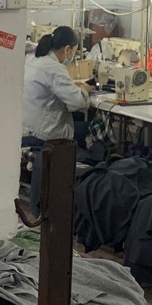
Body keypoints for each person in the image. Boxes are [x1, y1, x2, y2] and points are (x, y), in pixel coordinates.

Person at [17, 26, 90, 226]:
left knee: (81, 127)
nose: (72, 56)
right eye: (74, 51)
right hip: (43, 134)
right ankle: (85, 187)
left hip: (25, 127)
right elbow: (78, 102)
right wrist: (85, 89)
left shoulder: (33, 60)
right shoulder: (54, 68)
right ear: (67, 49)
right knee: (90, 129)